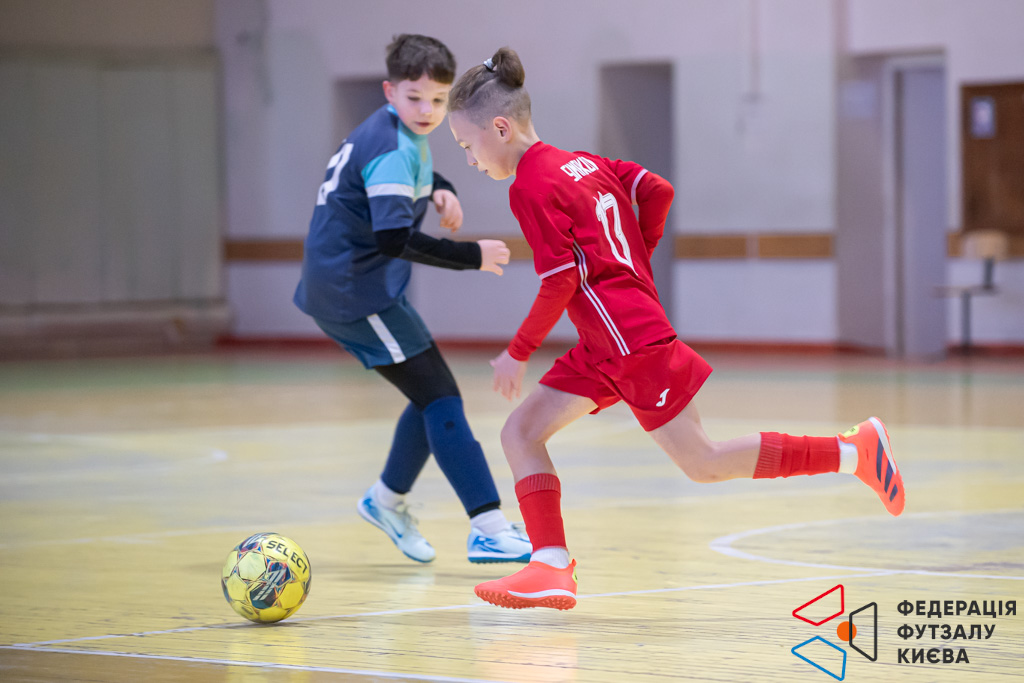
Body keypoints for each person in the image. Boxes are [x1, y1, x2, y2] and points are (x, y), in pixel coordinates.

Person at [446, 47, 906, 609]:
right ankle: (550, 564)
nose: (469, 159)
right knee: (521, 432)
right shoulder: (584, 163)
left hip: (628, 343)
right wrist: (638, 258)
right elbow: (656, 189)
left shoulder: (529, 186)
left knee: (704, 462)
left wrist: (518, 351)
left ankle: (853, 452)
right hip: (607, 342)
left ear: (500, 128)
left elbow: (561, 279)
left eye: (467, 145)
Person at [293, 35, 531, 565]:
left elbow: (403, 177)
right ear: (390, 91)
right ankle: (487, 526)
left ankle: (385, 501)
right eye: (415, 97)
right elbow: (394, 239)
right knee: (440, 397)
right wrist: (471, 256)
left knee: (431, 396)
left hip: (359, 288)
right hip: (354, 295)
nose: (427, 110)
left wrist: (440, 185)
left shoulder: (391, 131)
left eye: (439, 99)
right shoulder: (393, 148)